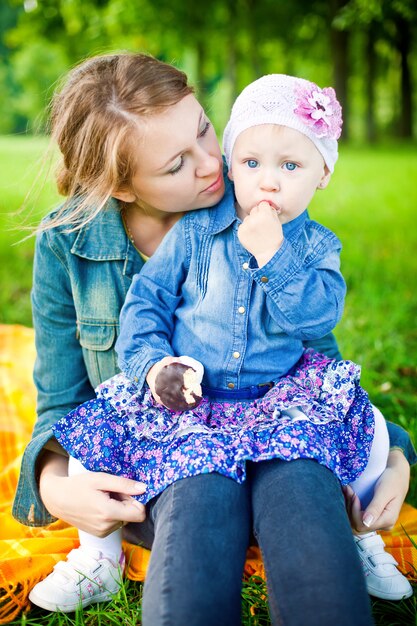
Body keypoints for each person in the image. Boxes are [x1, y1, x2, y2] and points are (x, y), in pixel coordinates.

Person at [12, 54, 414, 624]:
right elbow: (62, 399)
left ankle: (339, 541)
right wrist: (56, 489)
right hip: (169, 459)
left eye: (204, 128)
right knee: (199, 521)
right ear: (121, 187)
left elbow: (318, 361)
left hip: (280, 440)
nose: (213, 164)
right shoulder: (69, 245)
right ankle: (103, 562)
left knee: (308, 511)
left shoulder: (261, 209)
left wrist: (392, 456)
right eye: (178, 162)